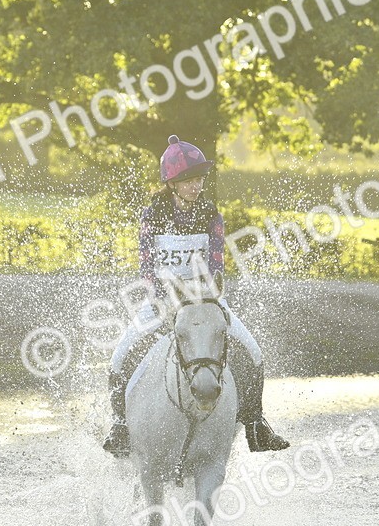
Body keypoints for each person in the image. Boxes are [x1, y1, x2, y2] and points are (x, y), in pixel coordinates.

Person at [103, 135, 290, 456]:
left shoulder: (210, 214)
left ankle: (257, 424)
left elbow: (216, 262)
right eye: (189, 180)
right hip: (161, 301)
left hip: (205, 300)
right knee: (120, 355)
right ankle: (120, 424)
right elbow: (147, 266)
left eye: (200, 179)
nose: (196, 185)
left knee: (253, 351)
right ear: (172, 183)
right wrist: (164, 298)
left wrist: (206, 298)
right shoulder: (152, 216)